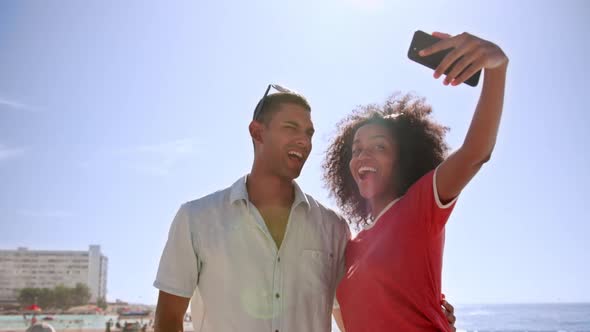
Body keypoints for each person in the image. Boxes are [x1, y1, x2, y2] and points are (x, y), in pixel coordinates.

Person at [153, 85, 457, 331]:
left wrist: (427, 313)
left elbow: (355, 315)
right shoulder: (195, 219)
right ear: (257, 132)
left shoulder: (334, 228)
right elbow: (167, 320)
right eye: (291, 127)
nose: (304, 140)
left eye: (309, 132)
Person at [323, 31, 508, 331]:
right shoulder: (350, 247)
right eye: (356, 150)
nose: (363, 156)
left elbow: (475, 153)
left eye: (379, 147)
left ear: (403, 159)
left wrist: (496, 68)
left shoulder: (419, 207)